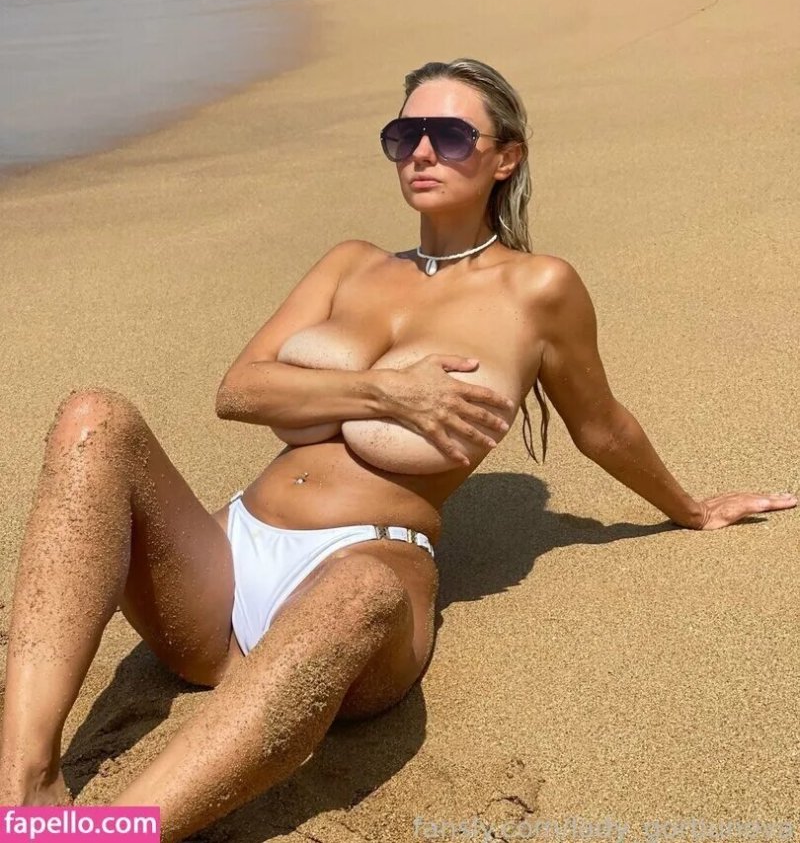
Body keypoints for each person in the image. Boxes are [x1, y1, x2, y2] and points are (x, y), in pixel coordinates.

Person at [0, 59, 794, 841]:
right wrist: (387, 393)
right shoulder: (350, 264)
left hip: (359, 579)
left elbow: (601, 426)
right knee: (92, 418)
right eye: (404, 134)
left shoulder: (539, 290)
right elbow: (239, 390)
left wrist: (691, 509)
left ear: (505, 157)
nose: (420, 152)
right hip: (225, 561)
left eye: (449, 135)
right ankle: (26, 790)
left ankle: (112, 836)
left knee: (361, 590)